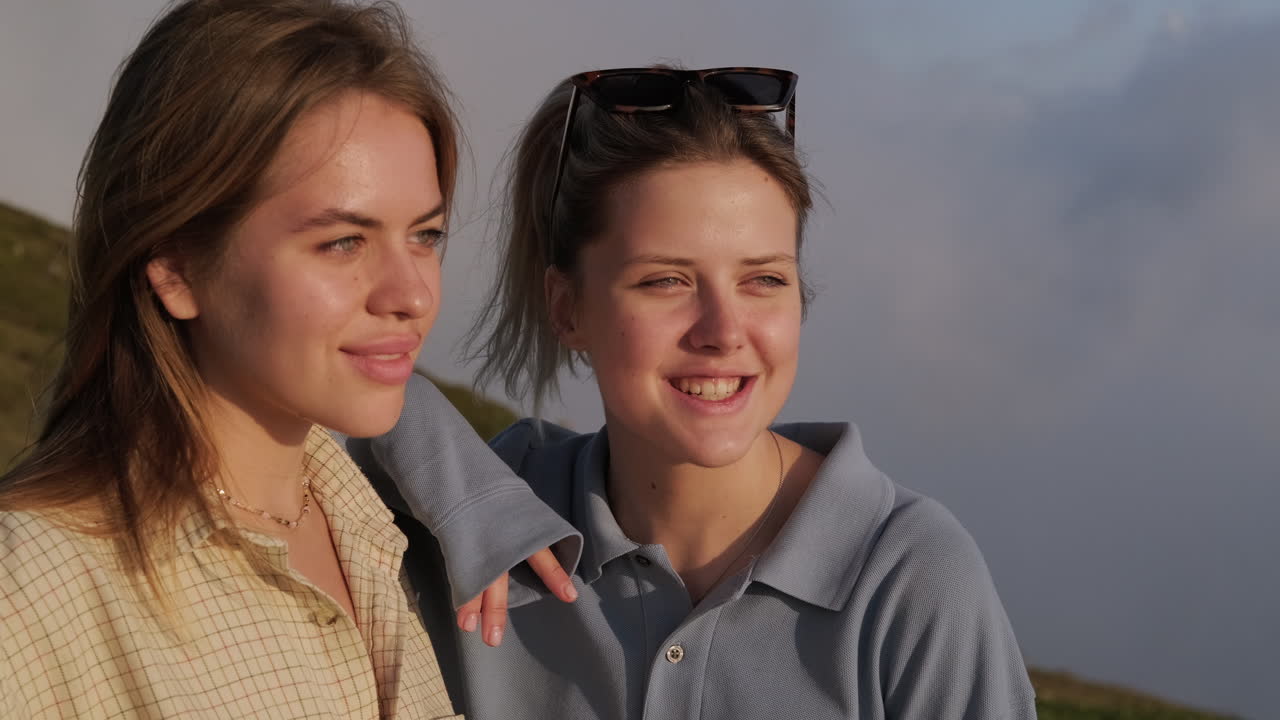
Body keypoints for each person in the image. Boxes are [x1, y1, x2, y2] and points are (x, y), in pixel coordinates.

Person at [363, 66, 1039, 719]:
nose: (723, 331)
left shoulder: (911, 575)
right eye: (666, 281)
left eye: (763, 280)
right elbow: (281, 381)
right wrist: (456, 482)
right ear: (566, 309)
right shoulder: (480, 517)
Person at [0, 2, 575, 718]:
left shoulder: (372, 534)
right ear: (176, 267)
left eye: (425, 235)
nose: (412, 295)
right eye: (343, 241)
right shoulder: (34, 590)